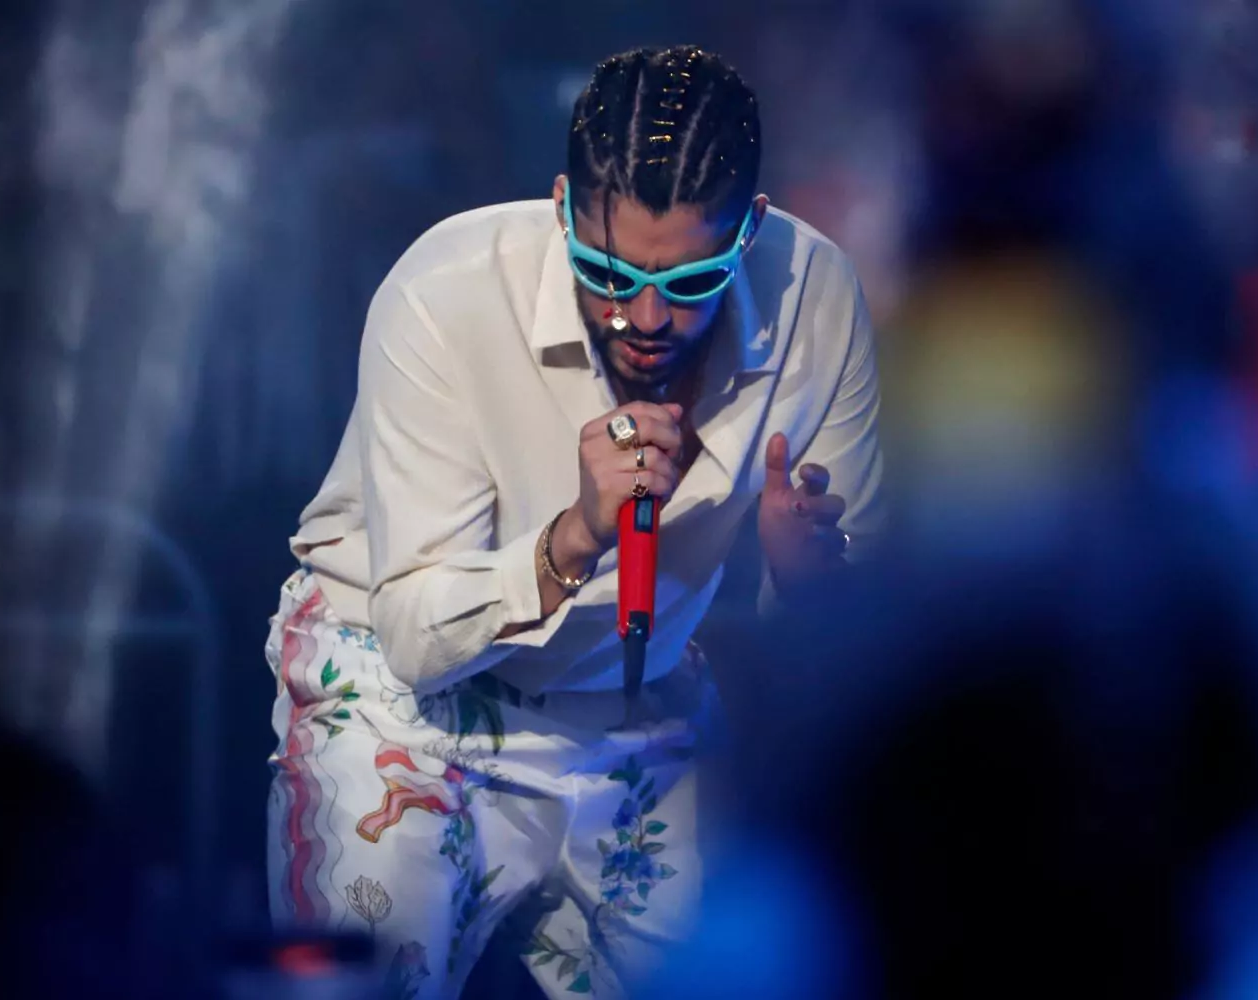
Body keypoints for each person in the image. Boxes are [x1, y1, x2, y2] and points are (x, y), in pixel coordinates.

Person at [264, 45, 883, 999]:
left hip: (639, 704)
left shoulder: (818, 297)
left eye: (690, 281)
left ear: (750, 231)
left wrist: (805, 586)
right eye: (606, 271)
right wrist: (577, 535)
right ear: (561, 209)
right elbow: (415, 634)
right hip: (401, 697)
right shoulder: (446, 293)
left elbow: (866, 648)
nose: (645, 316)